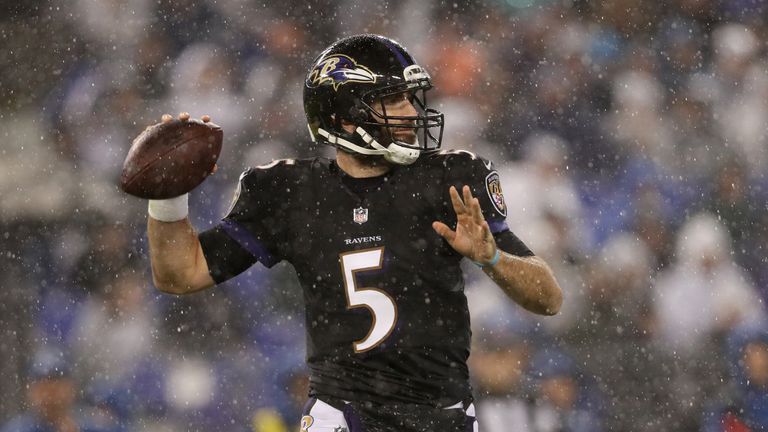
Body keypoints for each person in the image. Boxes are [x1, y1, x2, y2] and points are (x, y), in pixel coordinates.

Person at [142, 34, 562, 432]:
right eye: (392, 100)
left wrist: (493, 258)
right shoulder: (289, 192)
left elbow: (548, 298)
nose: (412, 112)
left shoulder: (450, 180)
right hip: (340, 412)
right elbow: (180, 273)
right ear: (344, 119)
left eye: (409, 98)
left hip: (439, 414)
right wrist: (167, 200)